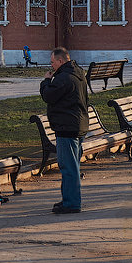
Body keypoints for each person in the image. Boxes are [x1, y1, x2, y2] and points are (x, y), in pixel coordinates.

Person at [40, 47, 88, 214]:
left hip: (67, 128)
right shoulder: (78, 73)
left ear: (60, 61)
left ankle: (72, 203)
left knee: (68, 167)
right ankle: (69, 199)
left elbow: (48, 96)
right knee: (73, 166)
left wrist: (46, 81)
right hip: (78, 125)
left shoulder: (64, 78)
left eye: (53, 62)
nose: (51, 65)